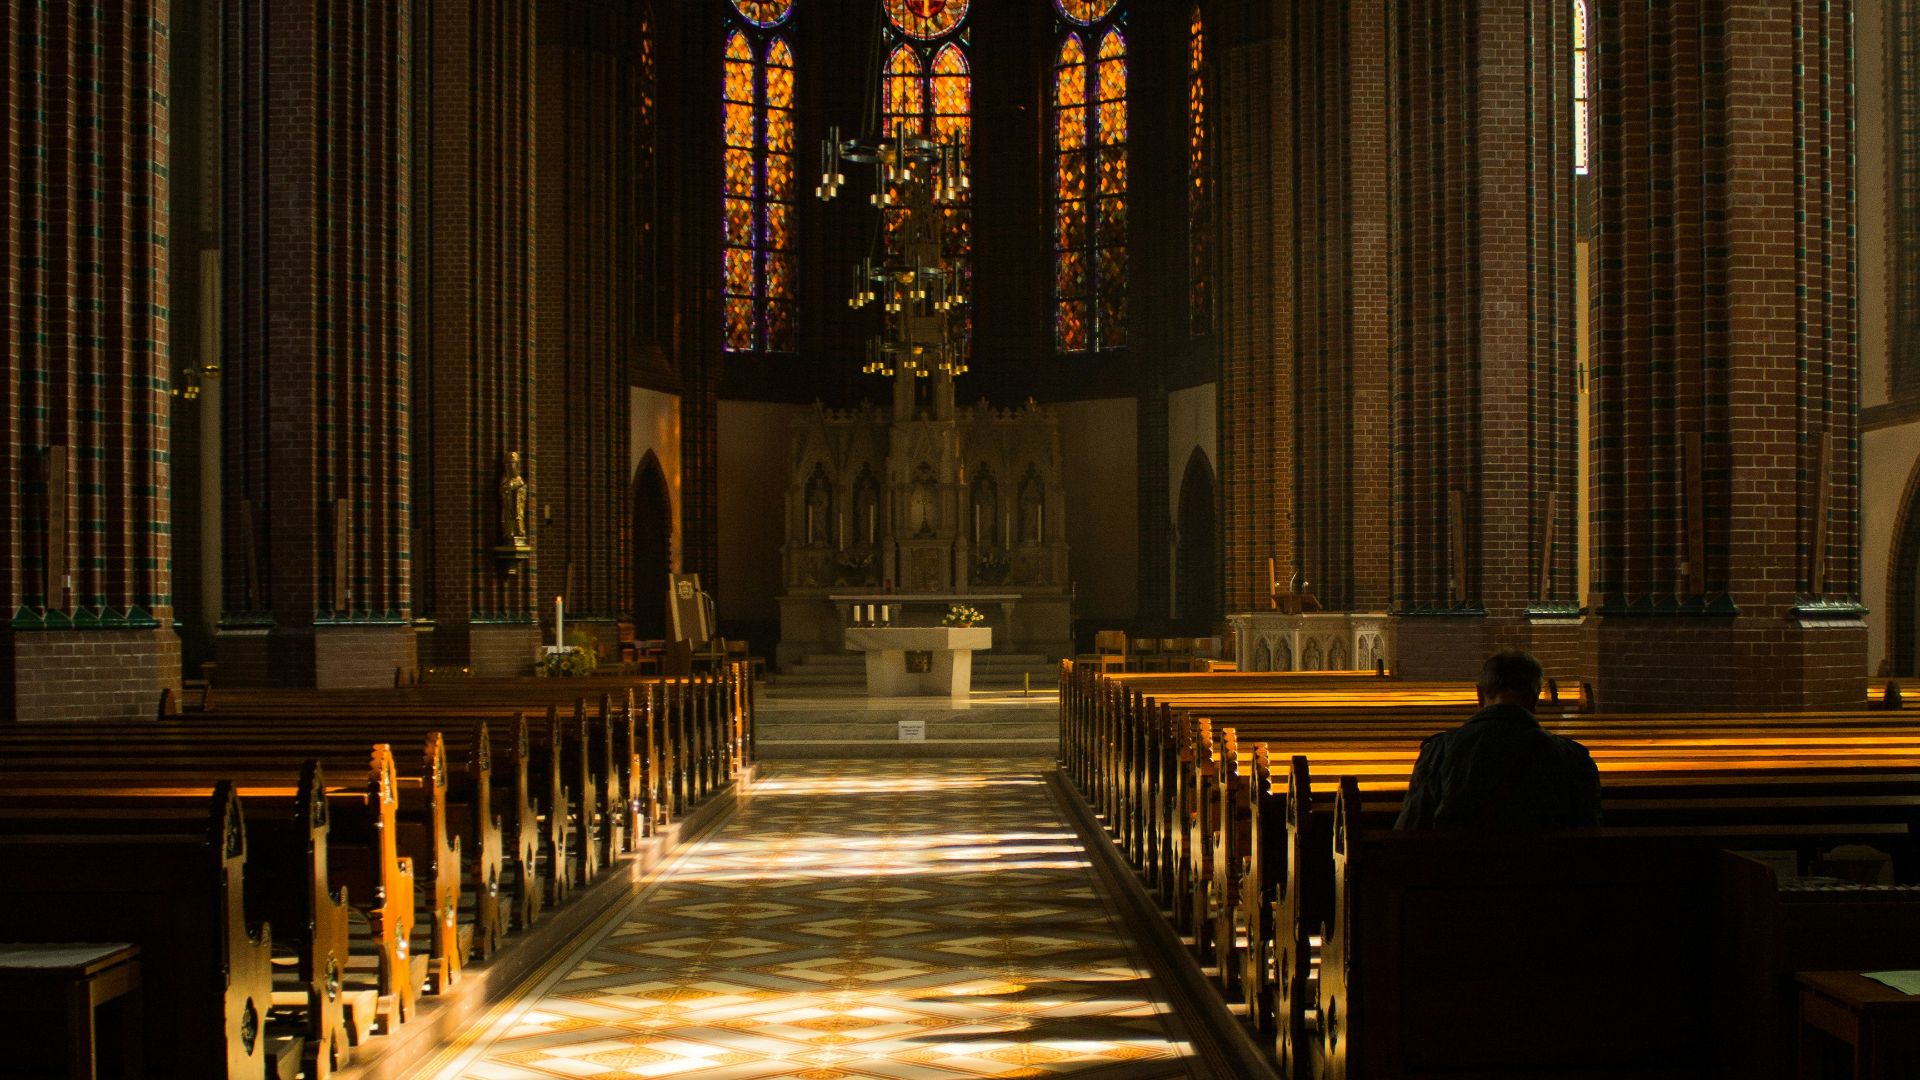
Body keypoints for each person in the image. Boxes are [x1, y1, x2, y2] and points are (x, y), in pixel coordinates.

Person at [1394, 649, 1602, 830]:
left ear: (1479, 694)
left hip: (1459, 872)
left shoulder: (1440, 751)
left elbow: (1411, 829)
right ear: (1535, 698)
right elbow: (1589, 828)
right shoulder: (1572, 757)